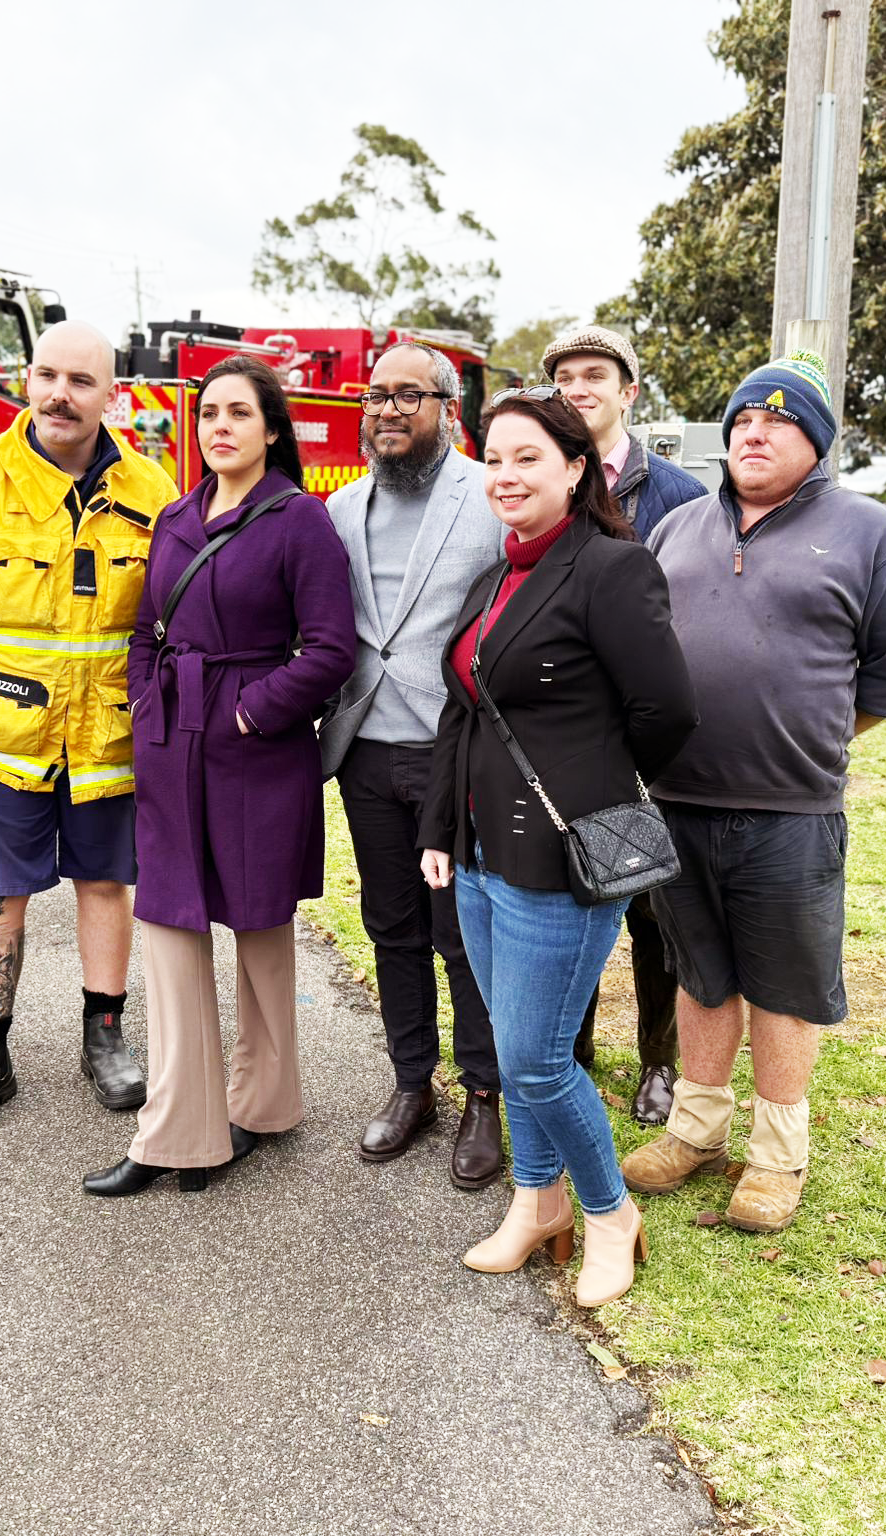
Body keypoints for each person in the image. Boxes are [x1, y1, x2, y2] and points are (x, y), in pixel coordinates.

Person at [626, 351, 886, 1233]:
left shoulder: (873, 535)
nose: (755, 432)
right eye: (743, 421)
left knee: (786, 988)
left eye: (781, 420)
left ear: (821, 442)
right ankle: (696, 1132)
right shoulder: (679, 527)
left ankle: (776, 1157)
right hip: (677, 802)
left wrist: (807, 735)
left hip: (790, 812)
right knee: (701, 975)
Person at [419, 389, 697, 1309]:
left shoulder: (613, 570)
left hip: (565, 863)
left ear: (577, 468)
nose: (505, 474)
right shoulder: (494, 574)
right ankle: (538, 1205)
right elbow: (463, 711)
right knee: (510, 1043)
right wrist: (439, 833)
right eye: (494, 457)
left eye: (527, 457)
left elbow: (667, 713)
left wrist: (589, 790)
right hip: (481, 856)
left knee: (539, 1057)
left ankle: (611, 1214)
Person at [84, 356, 355, 1196]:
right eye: (207, 414)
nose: (218, 427)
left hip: (257, 750)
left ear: (272, 428)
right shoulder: (174, 515)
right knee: (170, 932)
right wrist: (144, 700)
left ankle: (266, 1105)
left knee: (262, 933)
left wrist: (251, 712)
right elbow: (143, 629)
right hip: (172, 741)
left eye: (239, 413)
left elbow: (332, 649)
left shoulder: (299, 521)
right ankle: (176, 1133)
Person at [0, 321, 178, 1142]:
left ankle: (105, 1038)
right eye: (48, 376)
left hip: (107, 743)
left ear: (111, 395)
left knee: (105, 886)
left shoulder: (151, 490)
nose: (61, 394)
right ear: (28, 380)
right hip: (4, 742)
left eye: (81, 381)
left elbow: (173, 619)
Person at [318, 342, 506, 1189]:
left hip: (455, 752)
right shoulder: (340, 507)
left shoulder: (490, 498)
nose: (387, 410)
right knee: (390, 926)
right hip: (365, 750)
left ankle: (484, 1095)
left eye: (408, 396)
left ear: (448, 409)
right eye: (376, 395)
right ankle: (410, 1084)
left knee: (461, 934)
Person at [541, 324, 707, 1123]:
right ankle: (571, 1051)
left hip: (644, 732)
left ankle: (659, 1062)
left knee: (650, 906)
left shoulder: (677, 494)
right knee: (566, 896)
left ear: (628, 390)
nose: (579, 387)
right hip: (561, 734)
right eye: (565, 375)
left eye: (595, 374)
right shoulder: (539, 483)